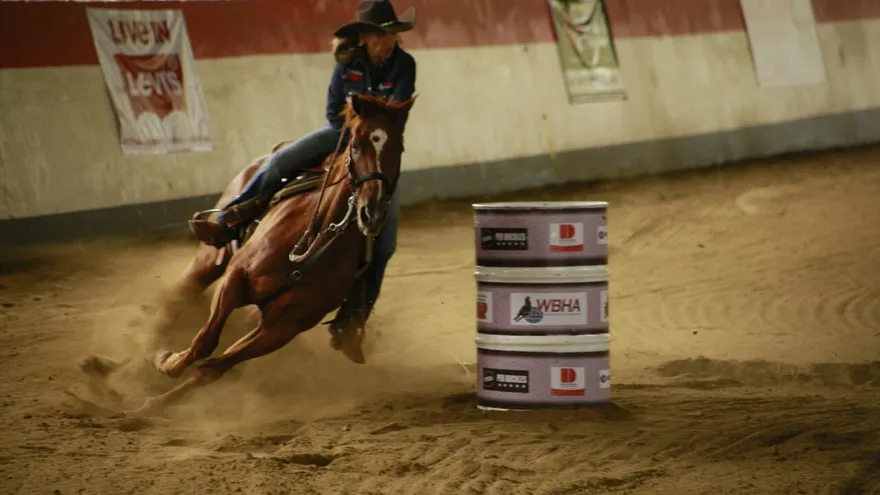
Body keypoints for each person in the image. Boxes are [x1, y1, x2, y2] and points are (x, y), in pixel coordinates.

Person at [189, 0, 417, 348]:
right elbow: (332, 111)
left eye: (391, 35)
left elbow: (396, 114)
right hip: (340, 135)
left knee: (385, 245)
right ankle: (232, 215)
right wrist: (357, 128)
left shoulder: (405, 65)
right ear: (365, 38)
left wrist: (369, 126)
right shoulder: (348, 65)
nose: (388, 41)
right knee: (278, 162)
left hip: (375, 150)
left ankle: (352, 320)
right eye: (381, 34)